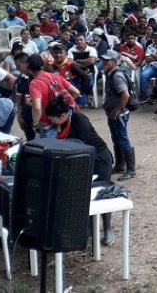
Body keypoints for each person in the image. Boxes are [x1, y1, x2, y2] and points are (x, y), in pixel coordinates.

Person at [45, 96, 115, 245]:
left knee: (102, 194)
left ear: (63, 115)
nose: (52, 122)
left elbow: (82, 146)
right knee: (85, 195)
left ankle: (108, 228)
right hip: (83, 161)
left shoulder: (80, 120)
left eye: (53, 119)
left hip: (99, 159)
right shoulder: (63, 124)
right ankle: (89, 229)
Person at [102, 50, 136, 180]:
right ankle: (120, 165)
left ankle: (131, 170)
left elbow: (125, 95)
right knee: (116, 139)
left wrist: (117, 110)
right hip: (113, 113)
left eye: (107, 61)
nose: (104, 63)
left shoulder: (116, 76)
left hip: (119, 114)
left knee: (122, 139)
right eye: (104, 60)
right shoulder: (110, 74)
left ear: (114, 62)